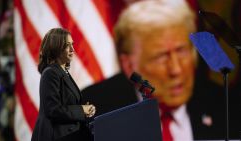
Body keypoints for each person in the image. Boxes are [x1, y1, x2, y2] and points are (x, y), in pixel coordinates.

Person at [82, 0, 240, 140]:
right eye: (161, 57)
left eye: (181, 51)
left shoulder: (227, 108)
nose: (176, 70)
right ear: (129, 65)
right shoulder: (92, 113)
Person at [31, 28, 96, 141]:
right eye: (67, 45)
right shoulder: (50, 73)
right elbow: (53, 110)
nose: (72, 49)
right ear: (56, 48)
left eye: (72, 44)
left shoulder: (63, 72)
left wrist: (85, 110)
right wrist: (82, 110)